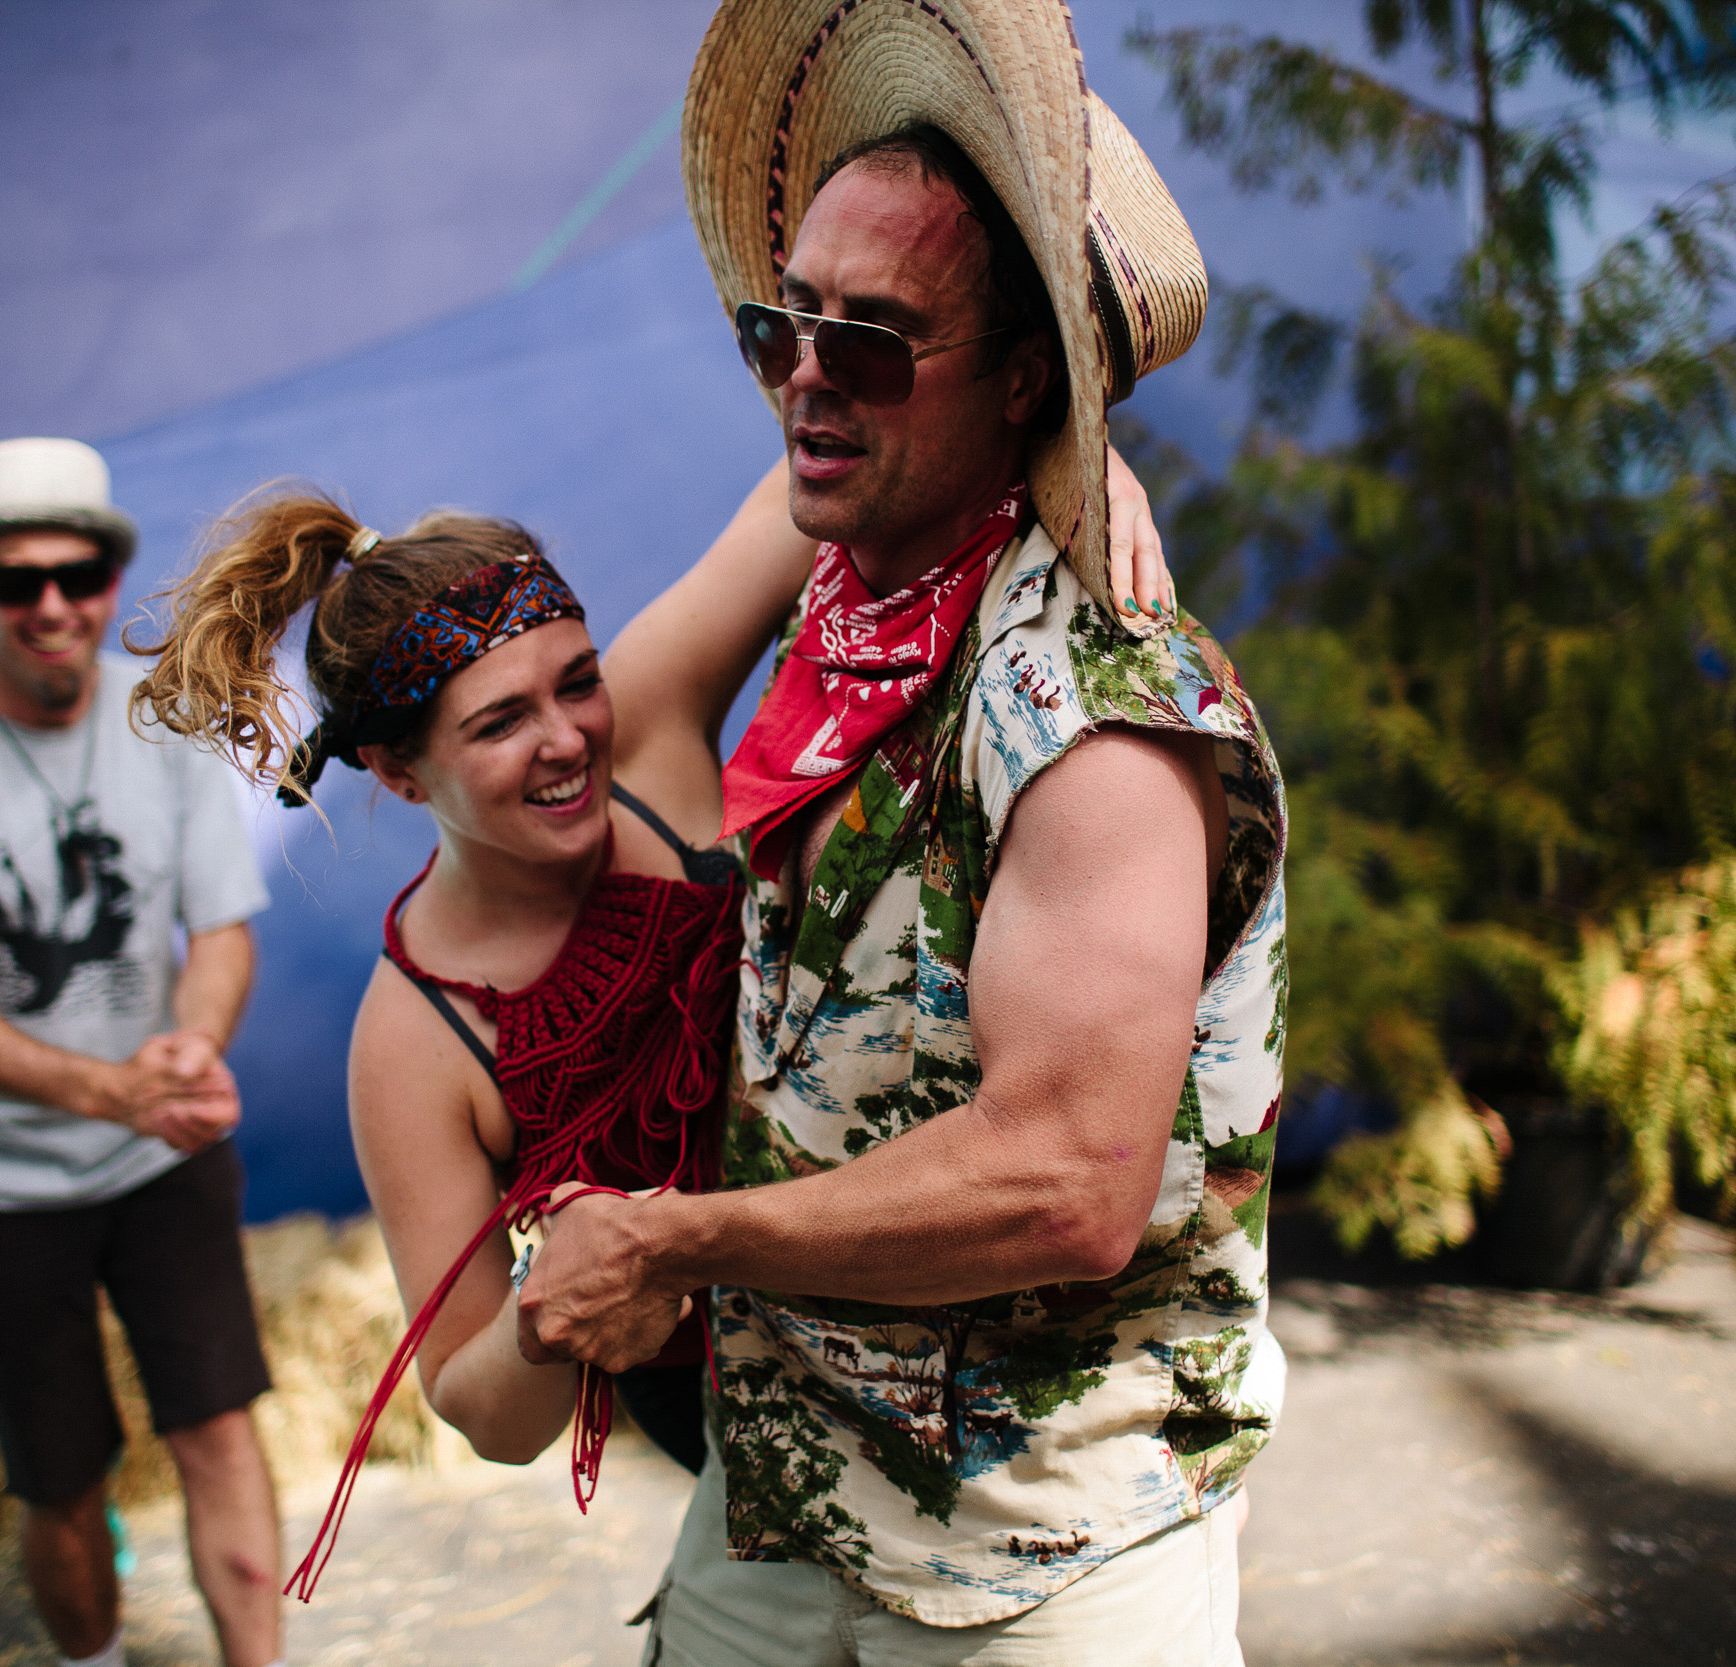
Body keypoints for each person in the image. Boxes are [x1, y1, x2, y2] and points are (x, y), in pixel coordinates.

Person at [515, 5, 1291, 1663]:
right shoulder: (855, 575)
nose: (806, 378)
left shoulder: (1095, 715)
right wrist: (1044, 445)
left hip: (1037, 1550)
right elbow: (639, 703)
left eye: (871, 341)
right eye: (780, 323)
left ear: (1022, 376)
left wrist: (674, 1240)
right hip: (787, 1487)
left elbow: (1066, 1184)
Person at [123, 452, 1171, 1593]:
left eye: (576, 680)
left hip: (930, 1277)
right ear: (398, 772)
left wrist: (1076, 455)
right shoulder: (415, 1038)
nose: (567, 736)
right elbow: (485, 1410)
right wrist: (555, 1307)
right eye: (500, 722)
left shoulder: (649, 724)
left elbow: (831, 463)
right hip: (734, 1405)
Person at [0, 437, 284, 1667]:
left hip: (160, 1158)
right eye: (14, 578)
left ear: (108, 581)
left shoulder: (165, 726)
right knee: (63, 1477)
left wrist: (190, 1053)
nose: (50, 603)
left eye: (75, 573)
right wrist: (118, 1091)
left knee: (220, 1429)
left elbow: (222, 933)